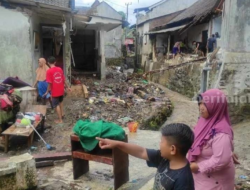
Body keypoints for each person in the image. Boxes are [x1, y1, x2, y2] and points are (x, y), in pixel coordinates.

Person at [97, 123, 195, 190]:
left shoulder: (184, 180)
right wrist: (117, 144)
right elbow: (141, 151)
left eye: (162, 142)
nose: (159, 144)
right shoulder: (164, 159)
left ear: (172, 149)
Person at [188, 89, 235, 190]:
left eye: (205, 104)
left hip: (215, 181)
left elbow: (221, 160)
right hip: (202, 178)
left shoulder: (221, 132)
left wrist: (198, 166)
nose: (201, 108)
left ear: (216, 105)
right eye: (199, 104)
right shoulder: (204, 122)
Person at [44, 56, 71, 124]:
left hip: (55, 91)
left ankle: (60, 120)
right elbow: (63, 79)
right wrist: (68, 87)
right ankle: (62, 114)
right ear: (55, 62)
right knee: (61, 101)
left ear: (48, 63)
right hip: (61, 89)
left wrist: (47, 91)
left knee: (56, 105)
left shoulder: (49, 71)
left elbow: (50, 83)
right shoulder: (59, 69)